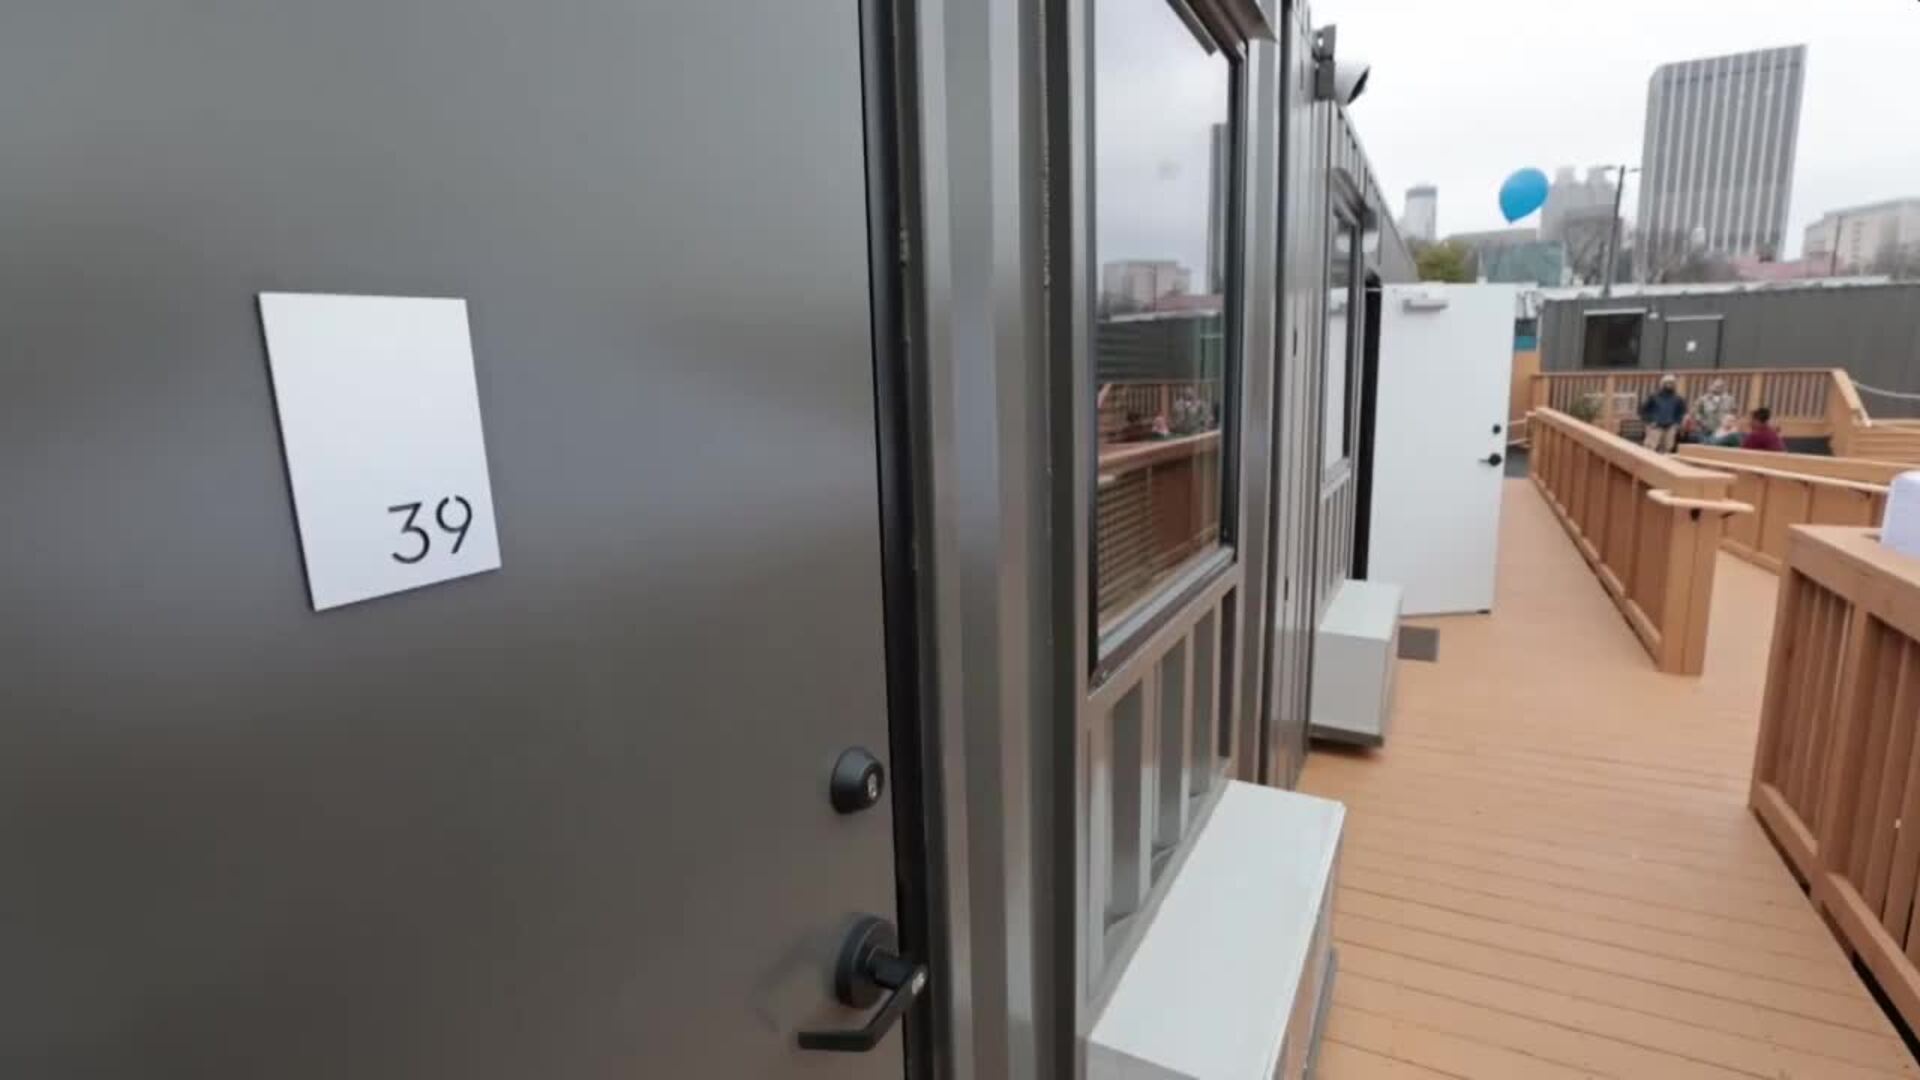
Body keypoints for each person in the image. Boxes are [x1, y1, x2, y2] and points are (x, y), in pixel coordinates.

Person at [1639, 374, 1687, 453]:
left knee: (1667, 448)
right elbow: (1643, 410)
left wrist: (1677, 423)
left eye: (1672, 383)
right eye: (1667, 382)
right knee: (1650, 448)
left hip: (1670, 427)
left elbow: (1682, 412)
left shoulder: (1678, 398)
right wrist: (1650, 421)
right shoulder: (1653, 396)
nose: (1670, 385)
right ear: (1662, 384)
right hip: (1655, 426)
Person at [1692, 378, 1738, 444]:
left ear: (1724, 388)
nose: (1718, 388)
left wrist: (1729, 426)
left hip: (1723, 433)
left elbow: (1734, 414)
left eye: (1720, 387)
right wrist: (1702, 423)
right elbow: (1696, 412)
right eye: (1716, 386)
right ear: (1712, 386)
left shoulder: (1730, 400)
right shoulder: (1703, 399)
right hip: (1706, 431)